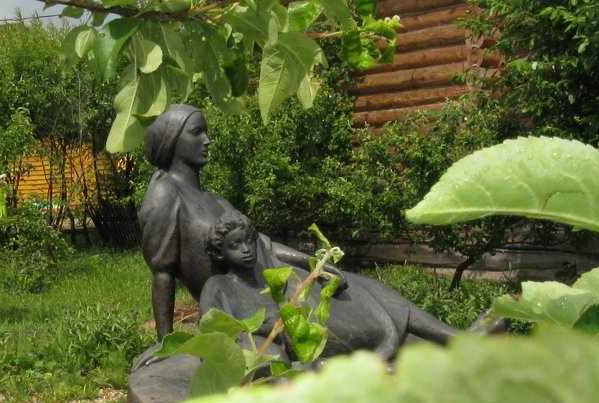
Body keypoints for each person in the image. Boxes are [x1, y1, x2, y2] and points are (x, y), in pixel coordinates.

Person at [139, 104, 345, 339]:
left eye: (206, 132)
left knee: (343, 297)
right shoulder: (165, 193)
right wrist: (166, 343)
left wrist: (314, 265)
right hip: (247, 304)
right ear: (171, 140)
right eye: (197, 132)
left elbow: (264, 246)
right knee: (328, 324)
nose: (207, 140)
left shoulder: (214, 200)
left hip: (274, 283)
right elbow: (162, 272)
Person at [200, 210, 461, 363]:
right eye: (235, 246)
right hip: (273, 357)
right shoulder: (218, 286)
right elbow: (213, 331)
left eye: (248, 242)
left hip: (314, 341)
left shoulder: (271, 277)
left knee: (369, 292)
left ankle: (455, 340)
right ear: (220, 254)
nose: (246, 251)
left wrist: (317, 267)